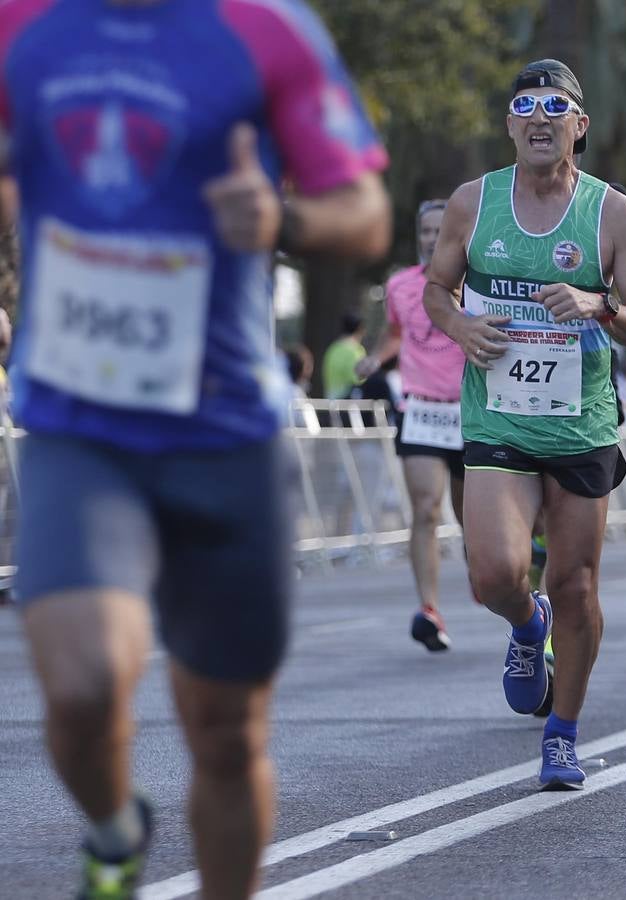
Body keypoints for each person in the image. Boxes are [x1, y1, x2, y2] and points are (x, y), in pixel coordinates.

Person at [0, 1, 391, 897]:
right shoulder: (22, 21)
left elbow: (365, 213)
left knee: (224, 731)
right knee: (86, 681)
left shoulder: (267, 29)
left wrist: (282, 221)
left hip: (224, 435)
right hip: (78, 422)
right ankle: (113, 832)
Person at [422, 59, 626, 789]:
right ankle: (527, 625)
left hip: (580, 427)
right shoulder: (472, 202)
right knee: (493, 573)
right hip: (498, 420)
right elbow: (435, 288)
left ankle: (564, 732)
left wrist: (600, 308)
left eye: (557, 106)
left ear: (579, 125)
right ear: (510, 124)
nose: (540, 117)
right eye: (526, 105)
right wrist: (459, 326)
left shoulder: (611, 212)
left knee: (577, 585)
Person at [356, 199, 467, 652]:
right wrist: (374, 357)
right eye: (425, 231)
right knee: (425, 508)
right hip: (420, 409)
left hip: (469, 411)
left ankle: (490, 577)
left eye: (441, 230)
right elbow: (396, 332)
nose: (431, 238)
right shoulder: (400, 285)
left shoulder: (476, 283)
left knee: (471, 521)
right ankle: (429, 609)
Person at [323, 311, 367, 400]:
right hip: (349, 406)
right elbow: (358, 380)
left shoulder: (332, 349)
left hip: (330, 400)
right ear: (360, 328)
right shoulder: (356, 350)